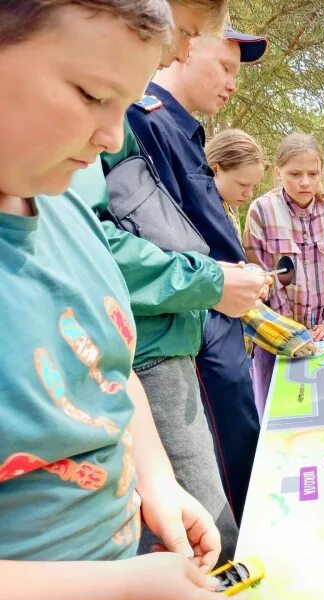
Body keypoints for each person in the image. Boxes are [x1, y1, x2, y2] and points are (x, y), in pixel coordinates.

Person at [0, 1, 221, 597]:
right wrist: (117, 588)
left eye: (125, 103)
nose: (112, 136)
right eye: (92, 94)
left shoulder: (66, 199)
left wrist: (157, 480)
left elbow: (106, 366)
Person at [70, 2, 265, 563]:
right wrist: (207, 282)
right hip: (163, 343)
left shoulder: (160, 122)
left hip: (175, 339)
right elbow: (103, 242)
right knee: (207, 537)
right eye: (188, 35)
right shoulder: (141, 119)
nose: (177, 48)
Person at [127, 25, 268, 524]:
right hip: (187, 330)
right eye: (225, 67)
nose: (232, 82)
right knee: (220, 502)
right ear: (186, 46)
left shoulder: (179, 127)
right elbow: (146, 241)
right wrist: (216, 284)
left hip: (213, 321)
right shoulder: (145, 122)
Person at [206, 128, 316, 419]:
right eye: (243, 184)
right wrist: (288, 336)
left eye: (253, 185)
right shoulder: (205, 214)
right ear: (215, 169)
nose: (248, 193)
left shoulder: (227, 208)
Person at [245, 134, 324, 403]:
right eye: (295, 174)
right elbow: (262, 276)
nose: (305, 182)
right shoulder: (261, 211)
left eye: (313, 173)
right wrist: (291, 330)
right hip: (278, 337)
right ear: (278, 172)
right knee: (281, 408)